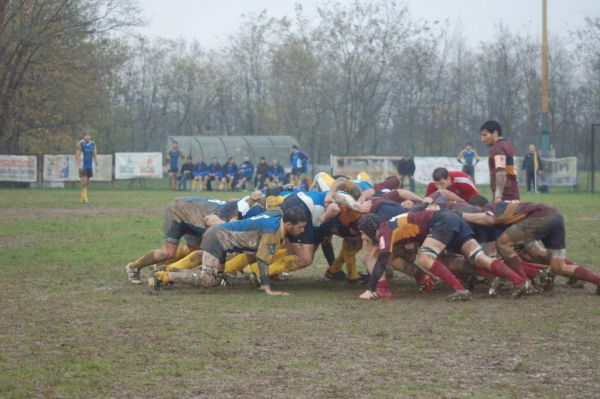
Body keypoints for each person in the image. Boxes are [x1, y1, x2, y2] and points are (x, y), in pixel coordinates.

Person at [148, 207, 308, 296]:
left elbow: (268, 207)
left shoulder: (277, 214)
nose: (302, 231)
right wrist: (267, 288)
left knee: (216, 280)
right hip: (216, 238)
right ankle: (163, 276)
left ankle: (166, 270)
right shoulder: (273, 231)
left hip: (221, 237)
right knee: (207, 280)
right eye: (300, 227)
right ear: (288, 224)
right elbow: (262, 260)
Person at [124, 196, 252, 284]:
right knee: (168, 252)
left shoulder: (240, 208)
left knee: (194, 252)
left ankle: (164, 269)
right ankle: (133, 267)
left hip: (195, 218)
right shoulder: (236, 213)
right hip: (179, 211)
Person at [480, 120, 520, 202]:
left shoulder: (497, 148)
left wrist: (498, 196)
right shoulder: (507, 145)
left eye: (485, 135)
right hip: (513, 195)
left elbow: (501, 172)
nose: (482, 139)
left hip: (505, 197)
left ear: (495, 133)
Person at [75, 131, 98, 204]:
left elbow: (95, 155)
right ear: (83, 136)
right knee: (84, 180)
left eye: (89, 136)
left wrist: (97, 165)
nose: (88, 137)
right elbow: (77, 155)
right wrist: (79, 165)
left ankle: (82, 198)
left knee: (87, 182)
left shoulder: (92, 144)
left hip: (89, 165)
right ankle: (85, 198)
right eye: (86, 136)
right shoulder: (80, 144)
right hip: (83, 165)